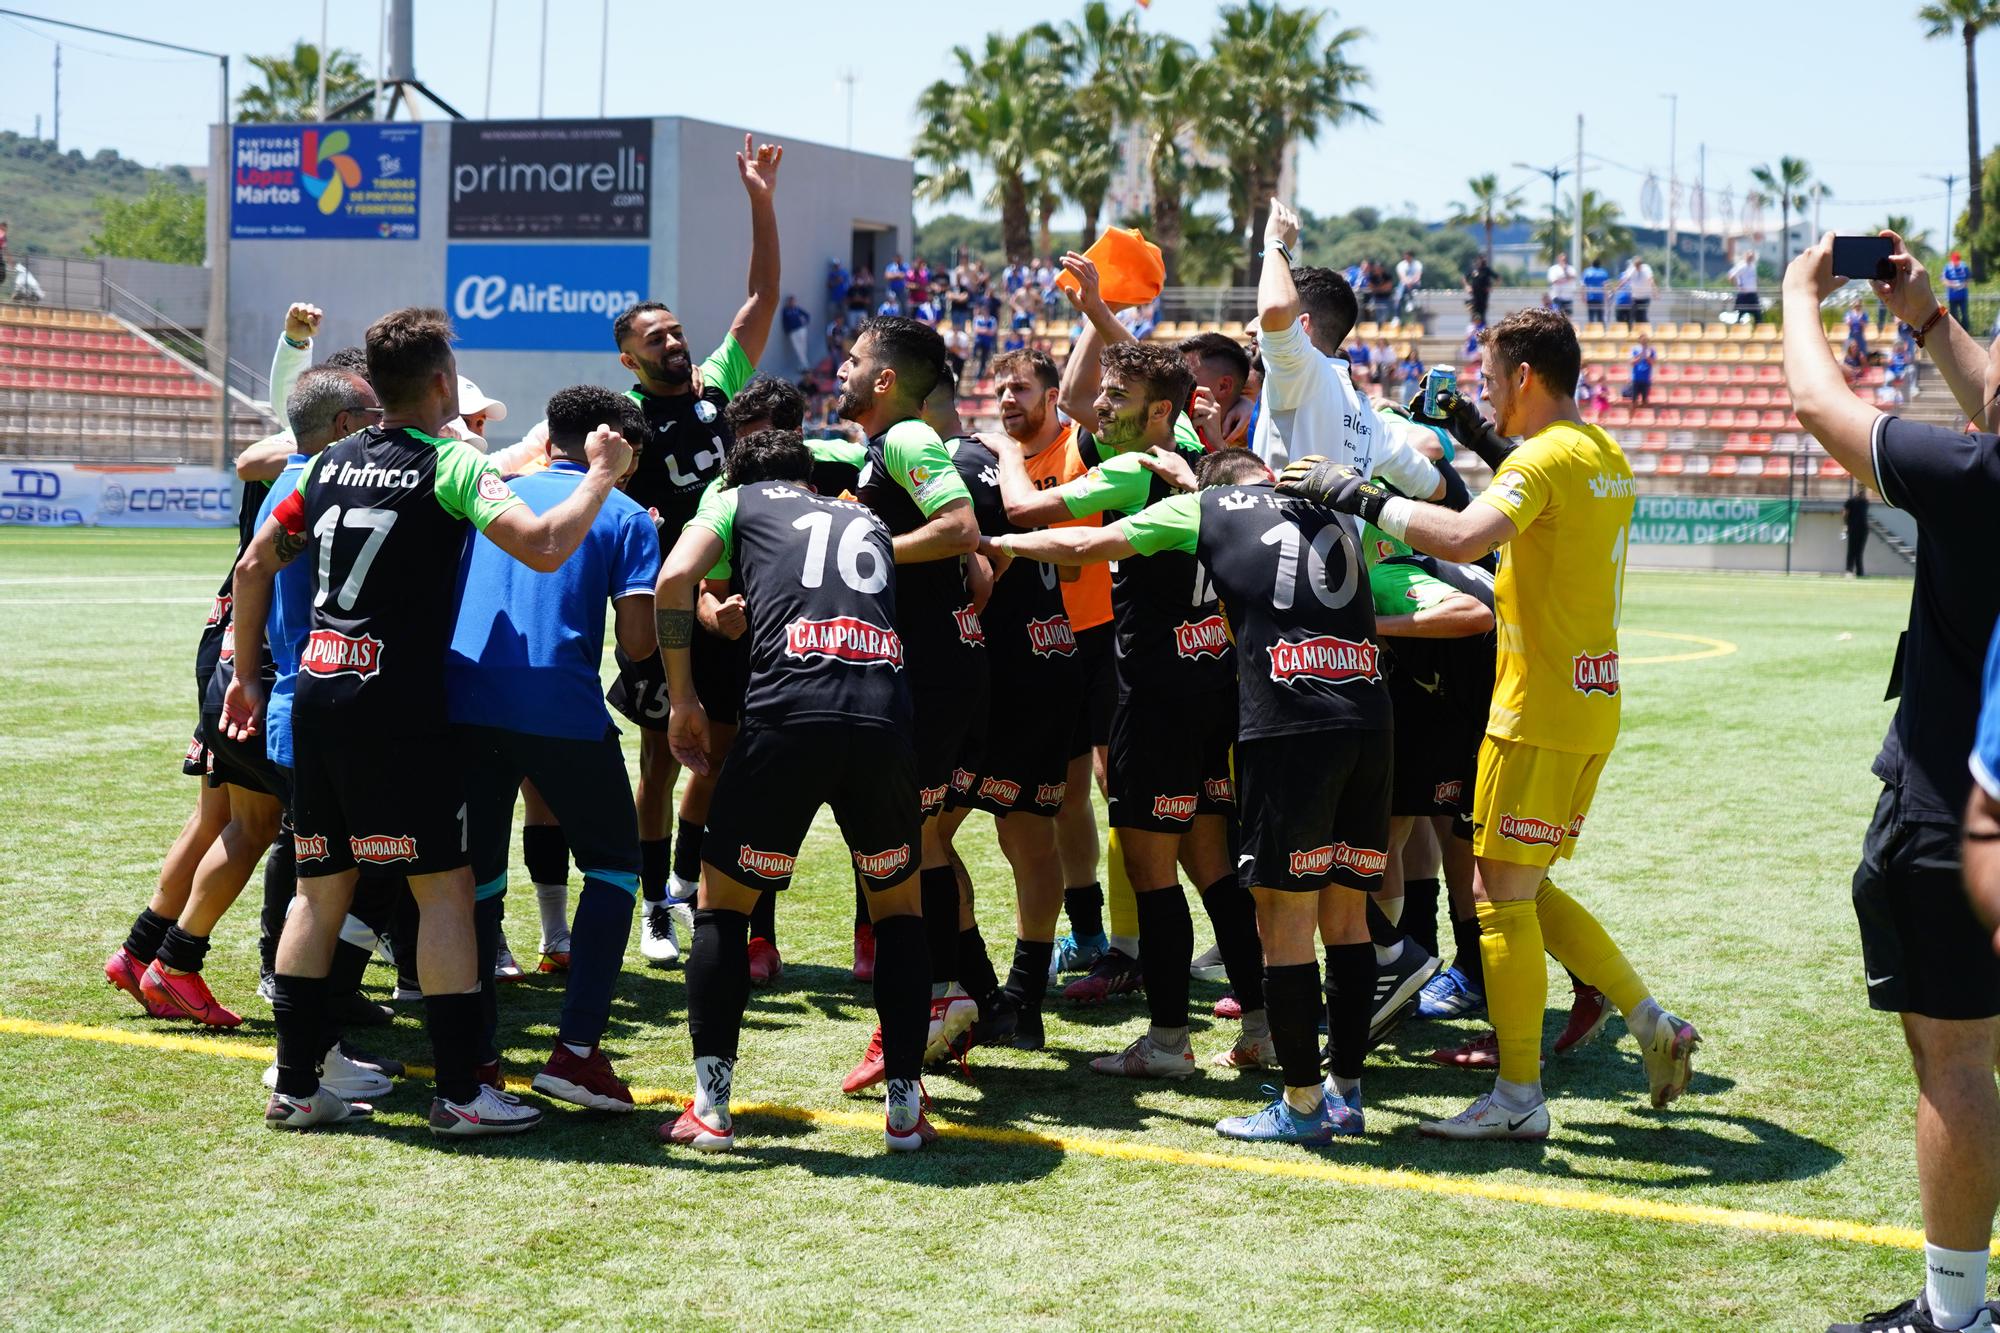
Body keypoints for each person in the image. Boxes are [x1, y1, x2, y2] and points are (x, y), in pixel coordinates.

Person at [1278, 306, 1701, 1141]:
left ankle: (1517, 1098)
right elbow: (1533, 486)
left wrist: (1360, 493)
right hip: (1590, 702)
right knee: (1525, 886)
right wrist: (1471, 428)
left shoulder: (1548, 458)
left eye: (1489, 377)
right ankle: (1649, 1020)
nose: (1483, 388)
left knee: (1496, 896)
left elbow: (1471, 537)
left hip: (1533, 707)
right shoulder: (1602, 453)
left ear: (1526, 378)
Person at [222, 306, 633, 1136]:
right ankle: (459, 1093)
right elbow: (547, 545)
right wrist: (600, 476)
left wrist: (248, 675)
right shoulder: (452, 465)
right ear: (442, 382)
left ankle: (298, 1085)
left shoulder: (324, 463)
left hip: (321, 694)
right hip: (397, 708)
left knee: (320, 888)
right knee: (442, 890)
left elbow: (253, 561)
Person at [1783, 229, 2000, 1333]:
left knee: (1954, 1050)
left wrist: (1795, 293)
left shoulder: (1973, 474)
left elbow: (1821, 409)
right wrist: (1923, 319)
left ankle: (1956, 1312)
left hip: (1965, 803)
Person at [655, 428, 938, 1153]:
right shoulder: (862, 513)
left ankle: (712, 1106)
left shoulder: (733, 500)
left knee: (723, 906)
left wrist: (684, 698)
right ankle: (905, 1107)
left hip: (788, 712)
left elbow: (672, 580)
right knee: (900, 909)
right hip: (882, 716)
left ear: (734, 476)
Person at [993, 341, 1267, 1078]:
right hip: (1214, 687)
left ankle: (1170, 1042)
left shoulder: (1131, 466)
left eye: (1115, 397)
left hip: (1154, 698)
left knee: (1153, 872)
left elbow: (1024, 510)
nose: (1099, 408)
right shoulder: (1194, 453)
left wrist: (1002, 450)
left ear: (1156, 412)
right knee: (1213, 869)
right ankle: (1264, 1025)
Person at [445, 385, 660, 1113]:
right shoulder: (625, 512)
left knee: (473, 880)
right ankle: (574, 1053)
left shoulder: (491, 492)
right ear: (620, 456)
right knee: (614, 866)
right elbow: (636, 644)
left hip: (465, 699)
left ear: (550, 436)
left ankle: (475, 1057)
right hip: (562, 709)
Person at [605, 136, 783, 966]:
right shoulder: (627, 423)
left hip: (742, 601)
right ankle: (653, 907)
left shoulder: (716, 386)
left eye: (676, 331)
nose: (674, 343)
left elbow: (761, 295)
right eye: (657, 337)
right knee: (661, 761)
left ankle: (684, 876)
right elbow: (634, 534)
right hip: (680, 605)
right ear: (629, 355)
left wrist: (761, 198)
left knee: (724, 755)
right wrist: (685, 603)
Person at [830, 316, 985, 1093]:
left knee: (904, 843)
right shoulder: (878, 447)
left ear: (886, 378)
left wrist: (869, 552)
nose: (844, 368)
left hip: (925, 672)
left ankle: (932, 1001)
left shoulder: (906, 441)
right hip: (931, 664)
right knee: (918, 843)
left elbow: (961, 529)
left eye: (855, 360)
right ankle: (953, 997)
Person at [1251, 201, 1454, 517]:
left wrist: (1276, 244)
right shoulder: (1369, 416)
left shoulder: (1302, 371)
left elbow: (1275, 310)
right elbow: (1436, 487)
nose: (1258, 331)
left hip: (1279, 558)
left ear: (1302, 326)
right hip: (1344, 563)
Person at [1177, 331, 1254, 449]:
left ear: (1224, 386)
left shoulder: (1256, 437)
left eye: (1186, 378)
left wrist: (1216, 446)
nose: (1175, 384)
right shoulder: (1166, 421)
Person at [1729, 251, 1763, 326]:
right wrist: (1738, 286)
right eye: (1749, 256)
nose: (1751, 258)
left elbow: (1754, 278)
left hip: (1753, 293)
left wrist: (1758, 284)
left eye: (1752, 257)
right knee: (1740, 313)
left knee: (1758, 314)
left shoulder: (1753, 266)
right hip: (1744, 294)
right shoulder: (1741, 266)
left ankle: (1758, 330)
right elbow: (1731, 276)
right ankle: (1737, 331)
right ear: (1745, 256)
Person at [1619, 258, 1656, 326]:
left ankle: (1646, 330)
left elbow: (1651, 280)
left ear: (1641, 265)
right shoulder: (1631, 269)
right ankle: (1633, 332)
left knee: (1642, 315)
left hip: (1645, 297)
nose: (1637, 268)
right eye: (1636, 266)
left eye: (1638, 266)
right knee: (1632, 315)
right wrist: (1618, 287)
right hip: (1635, 297)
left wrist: (1655, 291)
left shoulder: (1646, 269)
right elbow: (1625, 279)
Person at [1844, 487, 1870, 578]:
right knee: (1855, 551)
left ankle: (1854, 571)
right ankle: (1852, 571)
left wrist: (1846, 524)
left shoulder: (1860, 502)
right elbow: (1846, 513)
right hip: (1858, 529)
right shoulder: (1863, 502)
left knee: (1855, 551)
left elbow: (1845, 514)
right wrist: (1846, 525)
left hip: (1859, 529)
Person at [781, 294, 811, 368]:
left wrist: (805, 322)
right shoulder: (786, 311)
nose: (792, 303)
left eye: (793, 301)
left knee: (803, 346)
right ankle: (805, 364)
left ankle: (804, 364)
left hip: (801, 329)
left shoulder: (797, 309)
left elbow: (807, 315)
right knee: (797, 348)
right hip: (793, 332)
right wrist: (786, 331)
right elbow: (784, 322)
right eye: (790, 301)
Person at [1626, 333, 1657, 406]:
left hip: (1646, 379)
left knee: (1645, 401)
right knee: (1634, 402)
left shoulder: (1651, 350)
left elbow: (1653, 363)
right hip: (1636, 379)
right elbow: (1631, 362)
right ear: (1639, 340)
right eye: (1642, 340)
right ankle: (1632, 417)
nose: (1644, 341)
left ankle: (1644, 416)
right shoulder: (1635, 349)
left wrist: (1647, 357)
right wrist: (1640, 356)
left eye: (1645, 340)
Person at [1465, 257, 1495, 329]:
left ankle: (1483, 331)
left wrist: (1491, 287)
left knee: (1482, 316)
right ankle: (1472, 332)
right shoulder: (1474, 270)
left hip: (1483, 298)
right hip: (1475, 298)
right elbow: (1464, 278)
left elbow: (1498, 278)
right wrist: (1467, 286)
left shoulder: (1487, 270)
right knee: (1473, 315)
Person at [1945, 251, 1971, 328]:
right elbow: (1944, 280)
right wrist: (1952, 285)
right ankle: (1956, 330)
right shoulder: (1948, 267)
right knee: (1953, 316)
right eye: (1954, 261)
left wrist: (1963, 285)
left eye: (1957, 260)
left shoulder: (1964, 266)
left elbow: (1968, 279)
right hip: (1952, 297)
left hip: (1962, 296)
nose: (1956, 262)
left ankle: (1966, 331)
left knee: (1965, 315)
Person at [1581, 256, 1609, 325]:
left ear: (1592, 263)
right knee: (1600, 317)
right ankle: (1601, 333)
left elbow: (1583, 285)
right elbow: (1606, 286)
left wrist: (1583, 296)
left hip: (1590, 297)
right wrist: (1607, 297)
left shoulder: (1587, 272)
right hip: (1600, 298)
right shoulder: (1603, 272)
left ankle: (1591, 332)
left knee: (1591, 317)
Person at [1395, 249, 1423, 317]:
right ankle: (1397, 317)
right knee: (1398, 298)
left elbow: (1418, 276)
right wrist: (1407, 282)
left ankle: (1410, 300)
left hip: (1415, 284)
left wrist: (1411, 282)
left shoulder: (1417, 264)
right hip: (1404, 284)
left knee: (1412, 287)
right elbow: (1402, 276)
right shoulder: (1401, 265)